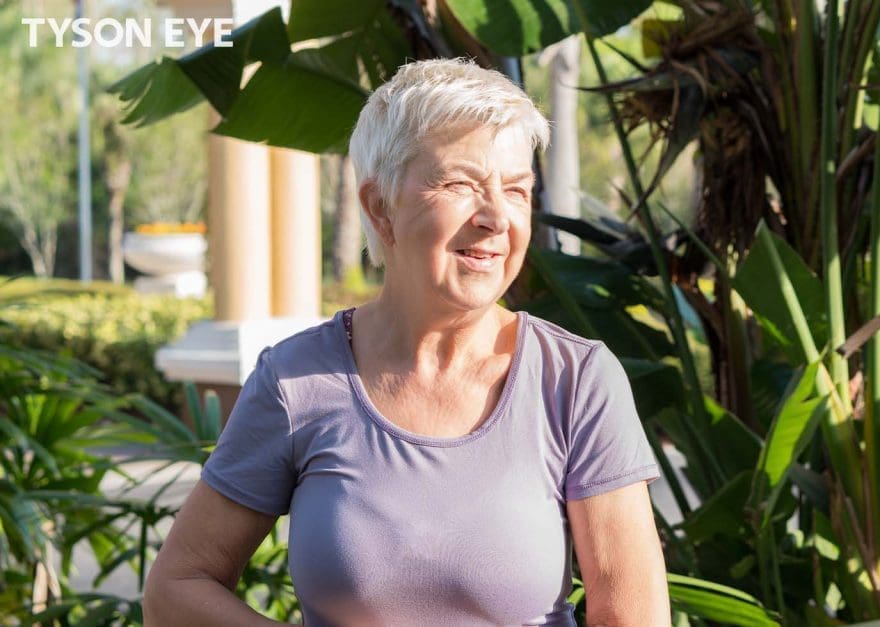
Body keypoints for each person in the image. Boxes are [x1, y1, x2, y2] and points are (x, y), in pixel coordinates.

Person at [143, 58, 670, 626]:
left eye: (516, 190)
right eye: (460, 184)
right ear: (380, 207)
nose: (496, 216)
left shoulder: (575, 379)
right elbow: (177, 589)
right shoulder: (298, 381)